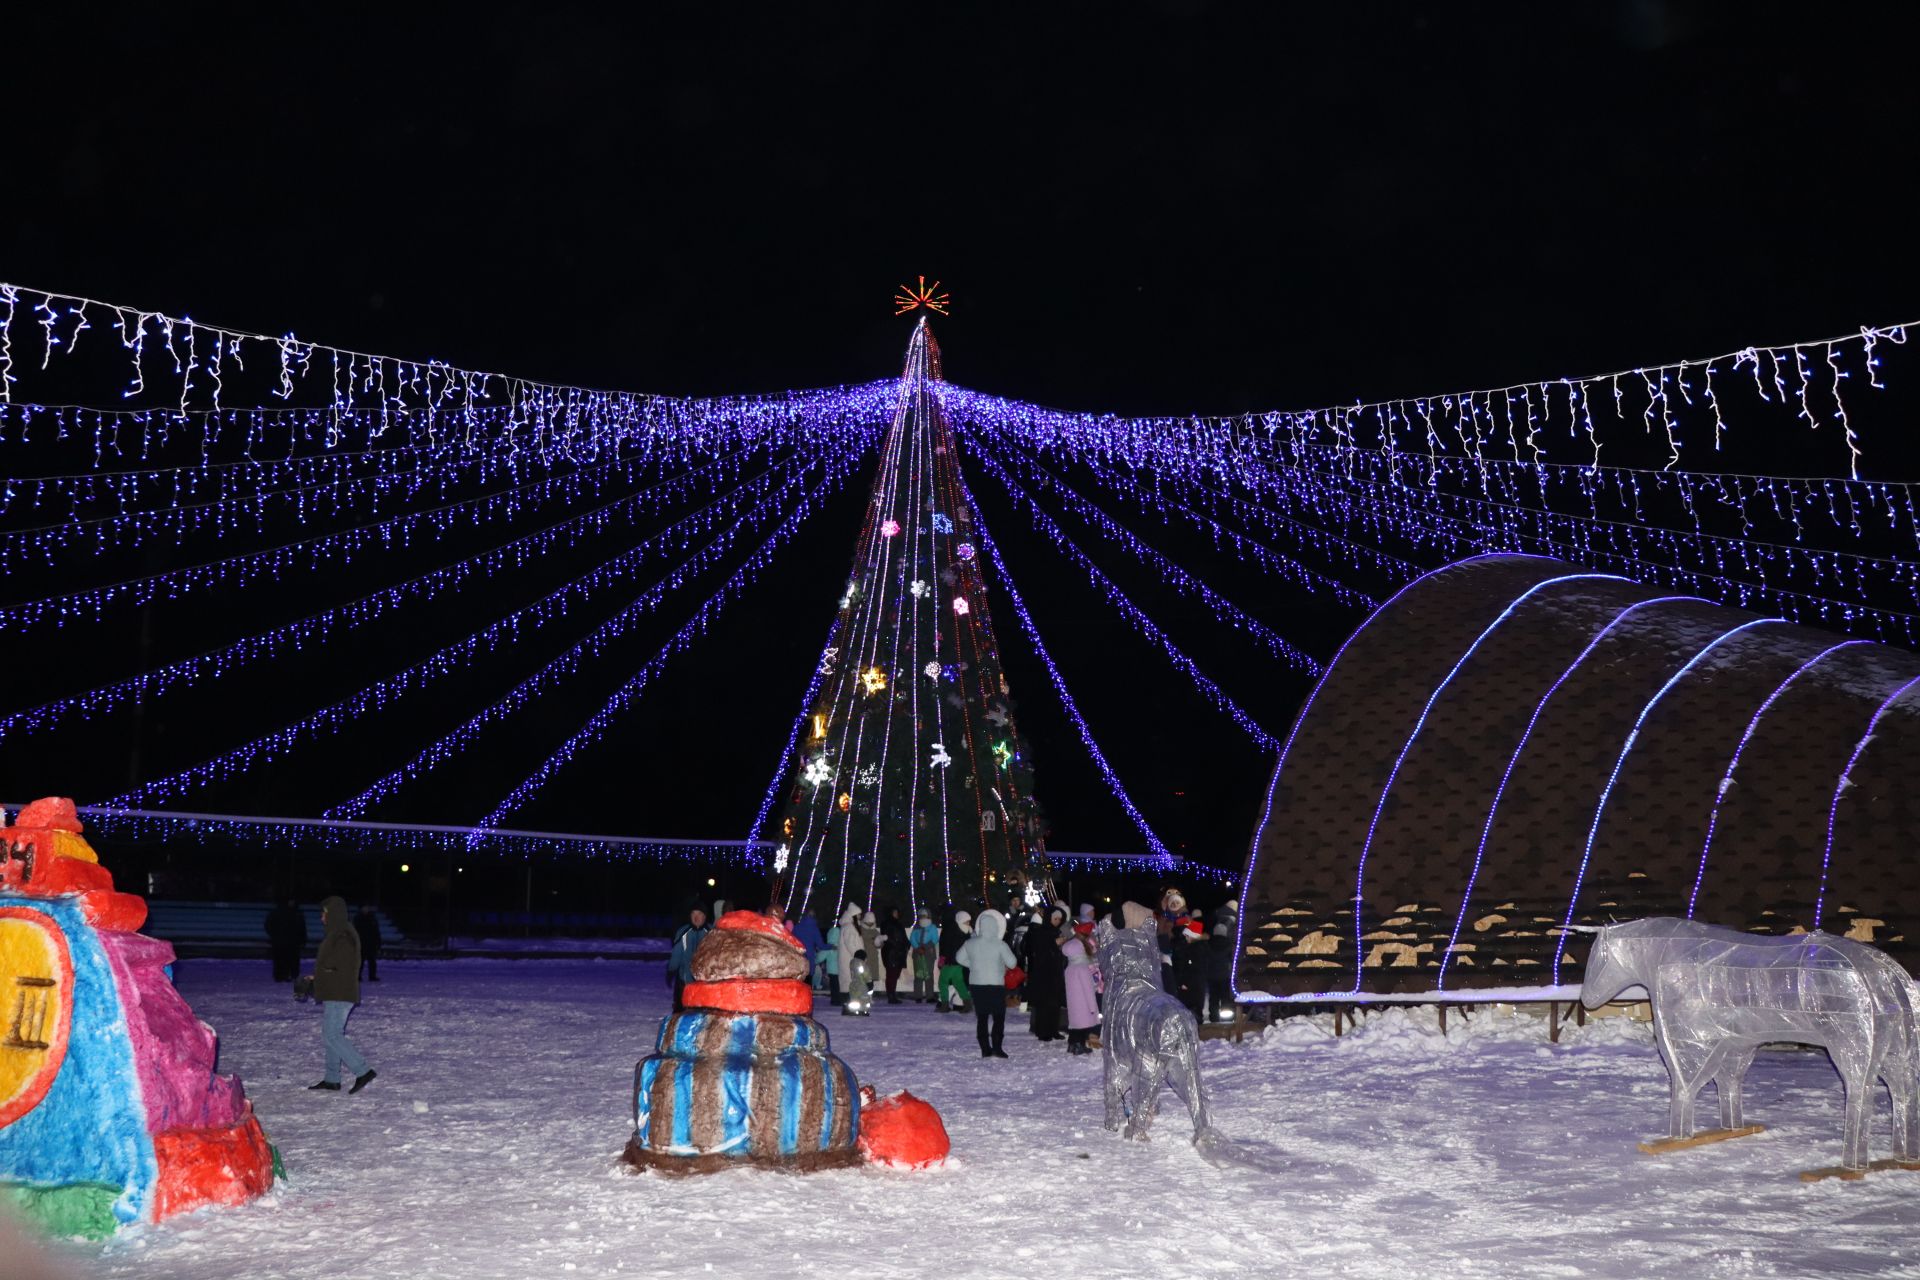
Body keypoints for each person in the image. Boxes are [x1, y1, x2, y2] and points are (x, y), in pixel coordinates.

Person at [306, 896, 375, 1093]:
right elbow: (332, 967)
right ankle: (332, 1079)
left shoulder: (343, 935)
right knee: (330, 1035)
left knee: (332, 1034)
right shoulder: (337, 933)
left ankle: (363, 1070)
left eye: (324, 914)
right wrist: (316, 979)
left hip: (340, 993)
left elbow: (342, 969)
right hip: (336, 991)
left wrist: (319, 978)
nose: (321, 918)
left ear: (334, 914)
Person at [955, 908, 1017, 1057]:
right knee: (998, 1017)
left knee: (982, 1017)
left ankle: (985, 1049)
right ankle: (997, 1047)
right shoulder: (1000, 944)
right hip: (996, 985)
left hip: (977, 984)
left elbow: (959, 958)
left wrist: (974, 966)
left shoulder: (971, 943)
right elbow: (1013, 963)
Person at [1024, 904, 1069, 1041]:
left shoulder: (1056, 932)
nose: (1057, 922)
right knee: (1044, 1003)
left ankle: (1053, 1029)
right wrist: (1054, 944)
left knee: (1055, 1003)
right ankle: (1043, 1031)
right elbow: (1040, 951)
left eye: (1059, 920)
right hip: (1043, 974)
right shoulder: (1041, 932)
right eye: (1055, 919)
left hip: (1055, 973)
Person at [1063, 920, 1100, 1054]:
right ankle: (1078, 1045)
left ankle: (1072, 1044)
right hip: (1084, 1005)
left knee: (1074, 1025)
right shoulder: (1083, 969)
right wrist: (1092, 1008)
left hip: (1074, 1006)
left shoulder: (1070, 967)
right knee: (1083, 1026)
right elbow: (1088, 990)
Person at [667, 907, 710, 1013]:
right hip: (684, 983)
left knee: (702, 1014)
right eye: (693, 914)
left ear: (704, 916)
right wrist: (671, 970)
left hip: (703, 984)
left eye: (699, 914)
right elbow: (676, 954)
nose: (696, 917)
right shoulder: (683, 932)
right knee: (681, 1013)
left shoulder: (710, 933)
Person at [837, 903, 872, 1015]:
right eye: (858, 915)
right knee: (849, 984)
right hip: (850, 960)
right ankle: (848, 1007)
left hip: (851, 959)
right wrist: (860, 956)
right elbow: (851, 944)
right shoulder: (849, 928)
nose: (860, 917)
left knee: (851, 984)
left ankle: (851, 1007)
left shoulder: (849, 927)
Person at [1208, 899, 1239, 1024]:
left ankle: (1214, 1017)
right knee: (1225, 995)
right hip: (1226, 973)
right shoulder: (1231, 923)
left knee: (1213, 996)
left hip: (1212, 974)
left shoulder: (1218, 920)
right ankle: (1227, 1016)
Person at [1170, 916, 1208, 1018]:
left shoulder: (1194, 950)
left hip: (1192, 987)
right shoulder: (1200, 947)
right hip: (1197, 985)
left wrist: (1184, 983)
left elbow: (1192, 969)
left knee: (1192, 1011)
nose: (1186, 938)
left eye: (1187, 936)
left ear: (1193, 936)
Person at [936, 908, 972, 1012]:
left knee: (943, 983)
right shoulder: (968, 932)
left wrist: (942, 959)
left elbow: (944, 947)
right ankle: (967, 1004)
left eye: (968, 921)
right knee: (959, 984)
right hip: (961, 964)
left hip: (950, 963)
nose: (968, 923)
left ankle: (944, 1005)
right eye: (967, 921)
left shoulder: (949, 929)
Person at [264, 896, 306, 983]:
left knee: (281, 959)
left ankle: (281, 975)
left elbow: (268, 925)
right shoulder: (297, 913)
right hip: (291, 941)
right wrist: (303, 939)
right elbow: (302, 928)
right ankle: (290, 975)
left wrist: (273, 935)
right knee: (291, 959)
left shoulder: (276, 912)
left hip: (281, 940)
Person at [908, 907, 940, 1003]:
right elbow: (912, 938)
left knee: (928, 975)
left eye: (924, 915)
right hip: (918, 954)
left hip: (928, 954)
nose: (923, 917)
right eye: (921, 916)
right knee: (918, 975)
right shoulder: (916, 927)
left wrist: (924, 947)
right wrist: (918, 948)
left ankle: (929, 996)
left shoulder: (932, 927)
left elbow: (935, 939)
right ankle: (918, 995)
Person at [792, 911, 827, 992]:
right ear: (814, 917)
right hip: (809, 957)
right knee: (808, 981)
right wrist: (831, 946)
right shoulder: (814, 928)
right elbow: (821, 945)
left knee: (799, 980)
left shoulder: (797, 927)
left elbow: (792, 941)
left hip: (799, 956)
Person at [880, 907, 909, 1004]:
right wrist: (898, 944)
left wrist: (906, 944)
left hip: (897, 952)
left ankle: (892, 994)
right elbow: (888, 937)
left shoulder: (898, 924)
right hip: (892, 953)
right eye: (895, 912)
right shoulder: (888, 924)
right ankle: (891, 995)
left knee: (894, 975)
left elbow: (902, 936)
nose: (897, 913)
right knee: (891, 975)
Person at [353, 904, 383, 983]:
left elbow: (376, 932)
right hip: (361, 943)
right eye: (364, 908)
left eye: (367, 908)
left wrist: (378, 942)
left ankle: (372, 976)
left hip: (371, 943)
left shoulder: (372, 918)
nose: (366, 909)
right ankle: (358, 976)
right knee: (360, 961)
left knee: (372, 961)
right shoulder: (358, 918)